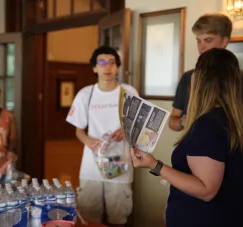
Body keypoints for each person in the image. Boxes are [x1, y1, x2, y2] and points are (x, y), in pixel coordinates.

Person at [131, 48, 243, 227]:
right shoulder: (231, 119)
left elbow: (206, 190)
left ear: (201, 78)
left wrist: (155, 165)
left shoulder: (207, 125)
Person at [66, 46, 138, 227]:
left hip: (120, 165)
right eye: (102, 62)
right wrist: (90, 141)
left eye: (112, 62)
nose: (107, 67)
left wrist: (126, 130)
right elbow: (79, 131)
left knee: (118, 218)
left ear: (117, 67)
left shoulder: (128, 92)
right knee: (89, 218)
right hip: (91, 166)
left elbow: (140, 127)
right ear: (94, 68)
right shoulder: (85, 94)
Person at [169, 13, 232, 131]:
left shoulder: (238, 78)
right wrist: (184, 121)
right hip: (193, 146)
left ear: (224, 41)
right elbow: (172, 121)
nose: (201, 48)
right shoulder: (188, 77)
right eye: (198, 41)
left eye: (208, 40)